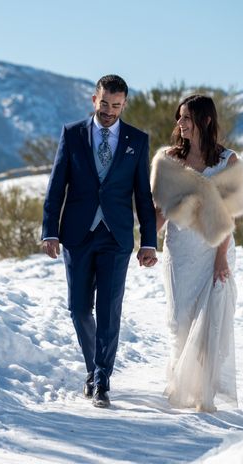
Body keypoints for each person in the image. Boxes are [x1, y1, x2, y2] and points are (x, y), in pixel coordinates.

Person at [42, 74, 158, 408]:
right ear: (94, 99)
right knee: (78, 308)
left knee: (109, 310)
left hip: (117, 237)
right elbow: (56, 185)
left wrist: (148, 240)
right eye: (104, 103)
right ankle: (93, 367)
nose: (109, 111)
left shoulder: (137, 139)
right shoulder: (72, 134)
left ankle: (101, 380)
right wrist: (49, 230)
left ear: (124, 104)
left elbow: (142, 194)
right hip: (77, 235)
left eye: (116, 105)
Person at [150, 94, 243, 412]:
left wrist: (221, 256)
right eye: (179, 117)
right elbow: (160, 212)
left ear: (205, 120)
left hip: (214, 250)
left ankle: (202, 394)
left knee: (211, 322)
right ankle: (181, 381)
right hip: (179, 253)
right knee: (180, 320)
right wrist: (147, 242)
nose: (180, 123)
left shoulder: (228, 161)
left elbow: (229, 215)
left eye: (187, 118)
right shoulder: (169, 160)